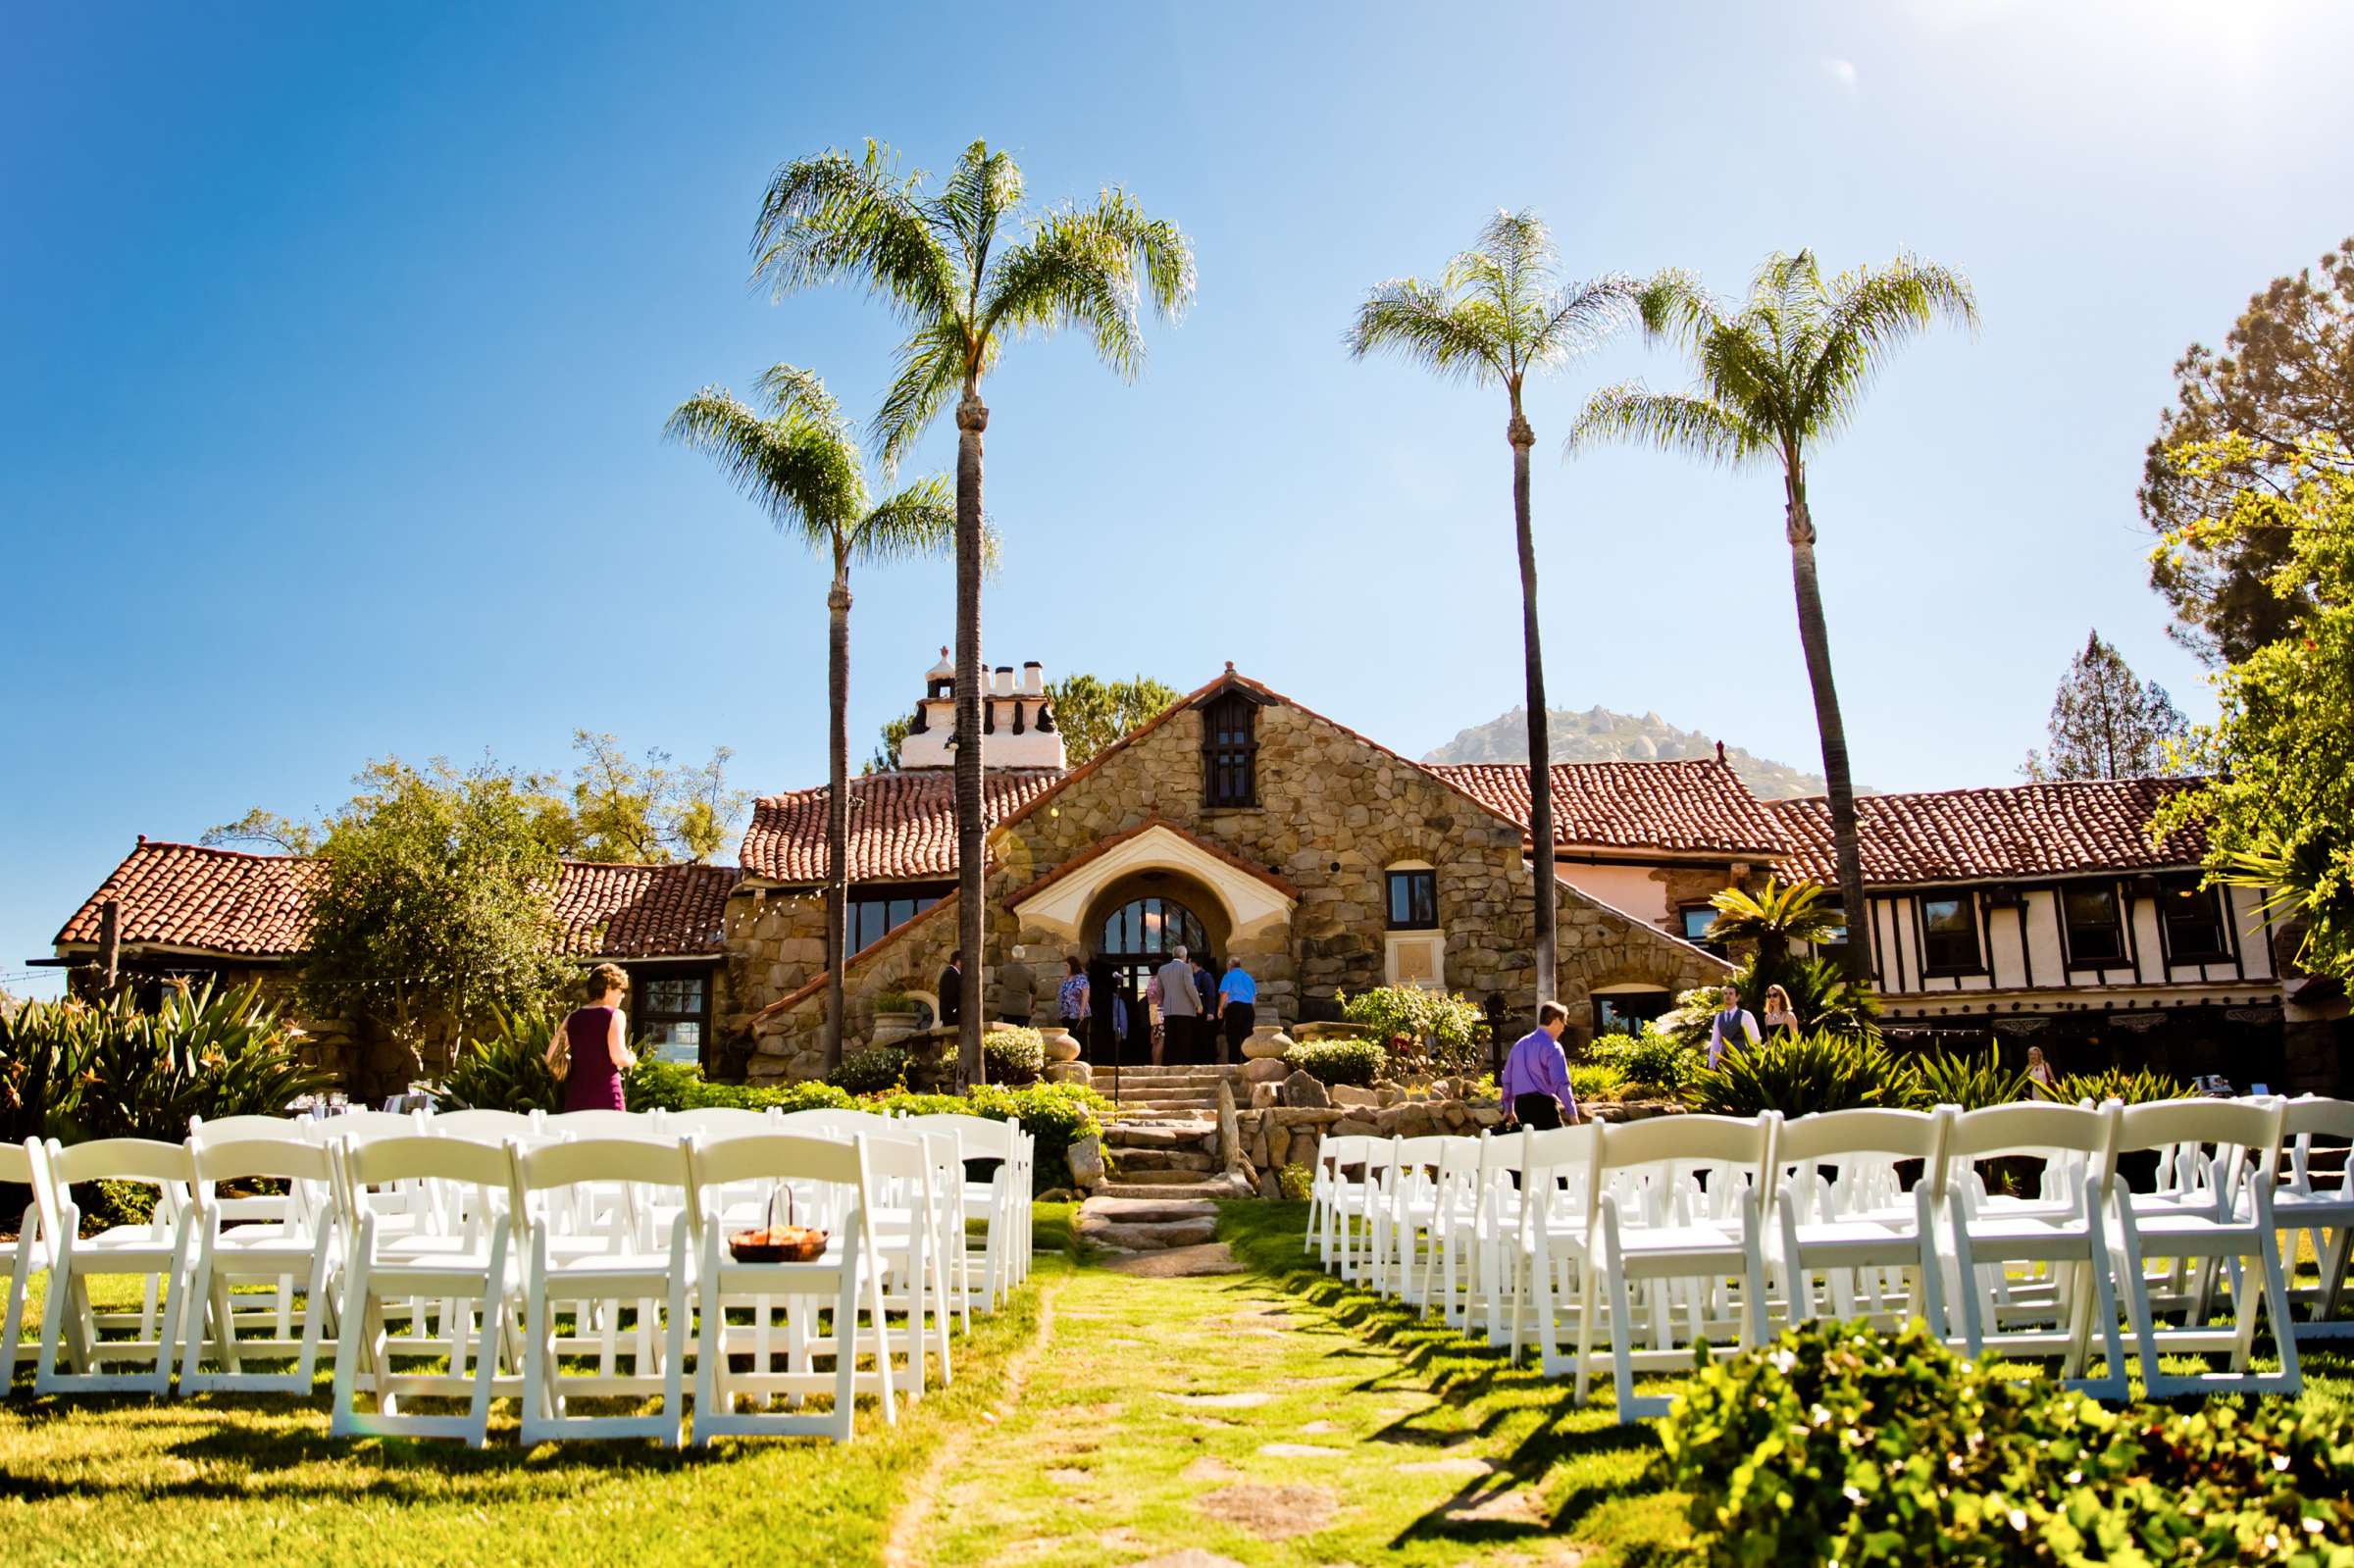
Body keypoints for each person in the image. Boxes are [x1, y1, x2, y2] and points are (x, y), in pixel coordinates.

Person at [548, 962, 636, 1113]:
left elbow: (550, 1056)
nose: (622, 995)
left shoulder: (573, 1017)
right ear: (608, 988)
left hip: (576, 1099)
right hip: (607, 1097)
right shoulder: (614, 1015)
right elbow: (618, 1057)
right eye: (620, 990)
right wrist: (631, 1058)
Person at [1501, 1000, 1577, 1131]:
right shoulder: (1553, 1047)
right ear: (1556, 1021)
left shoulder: (1519, 1045)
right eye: (1564, 1023)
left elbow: (1507, 1080)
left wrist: (1509, 1108)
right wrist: (1572, 1114)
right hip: (1543, 1105)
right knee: (1558, 1146)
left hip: (1521, 1107)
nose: (1564, 1028)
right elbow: (1561, 1083)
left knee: (1533, 1146)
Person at [1156, 943, 1203, 1064]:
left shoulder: (1162, 969)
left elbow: (1159, 991)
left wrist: (1161, 1005)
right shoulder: (1186, 968)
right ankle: (1183, 1065)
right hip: (1185, 1010)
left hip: (1169, 1010)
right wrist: (1198, 1003)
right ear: (1185, 956)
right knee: (1184, 1040)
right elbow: (1190, 987)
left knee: (1170, 1041)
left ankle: (1169, 1065)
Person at [1707, 985, 1760, 1068]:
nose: (1727, 996)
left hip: (1743, 1061)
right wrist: (1711, 1064)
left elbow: (1755, 1039)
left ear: (1737, 997)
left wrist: (1752, 1060)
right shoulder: (1718, 1017)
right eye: (1725, 993)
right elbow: (1715, 1041)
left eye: (1731, 993)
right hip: (1725, 1060)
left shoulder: (1745, 1015)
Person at [1218, 956, 1257, 1064]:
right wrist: (1251, 1011)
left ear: (1229, 966)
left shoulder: (1228, 976)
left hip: (1234, 1008)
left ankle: (1234, 1065)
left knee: (1233, 1039)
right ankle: (1247, 1064)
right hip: (1248, 1009)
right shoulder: (1249, 977)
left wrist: (1220, 1008)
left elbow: (1225, 993)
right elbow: (1254, 998)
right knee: (1247, 1038)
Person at [1057, 955, 1091, 1044]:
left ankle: (1081, 1058)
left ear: (1073, 965)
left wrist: (1082, 1011)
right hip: (1066, 1015)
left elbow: (1085, 995)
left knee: (1078, 1039)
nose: (1065, 968)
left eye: (1066, 966)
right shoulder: (1065, 980)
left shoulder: (1081, 978)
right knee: (1069, 1040)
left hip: (1078, 1015)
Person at [998, 951, 1036, 1027]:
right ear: (1023, 957)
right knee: (1022, 1035)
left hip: (1007, 1008)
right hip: (1023, 1009)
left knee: (1009, 1035)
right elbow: (1034, 990)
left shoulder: (1004, 969)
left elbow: (996, 979)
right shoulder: (1030, 972)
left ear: (1012, 956)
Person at [937, 950, 963, 1030]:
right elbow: (951, 996)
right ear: (958, 961)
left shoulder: (952, 973)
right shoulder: (950, 974)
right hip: (952, 1017)